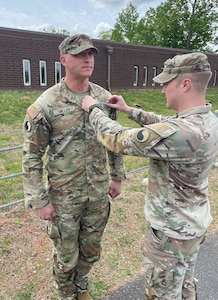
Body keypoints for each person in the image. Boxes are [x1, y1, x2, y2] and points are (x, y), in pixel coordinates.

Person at [81, 52, 218, 300]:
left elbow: (117, 140)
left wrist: (93, 110)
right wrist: (128, 110)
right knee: (185, 286)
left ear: (185, 84)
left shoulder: (183, 133)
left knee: (163, 294)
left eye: (166, 83)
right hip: (192, 227)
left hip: (170, 236)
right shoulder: (208, 120)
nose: (162, 90)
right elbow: (165, 124)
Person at [22, 34, 125, 300]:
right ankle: (65, 294)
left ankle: (81, 288)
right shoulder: (47, 104)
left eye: (90, 54)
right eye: (80, 54)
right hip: (65, 197)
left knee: (90, 251)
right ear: (63, 60)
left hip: (97, 193)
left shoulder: (103, 98)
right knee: (66, 255)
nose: (87, 59)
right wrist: (39, 200)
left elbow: (113, 138)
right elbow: (32, 155)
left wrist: (117, 177)